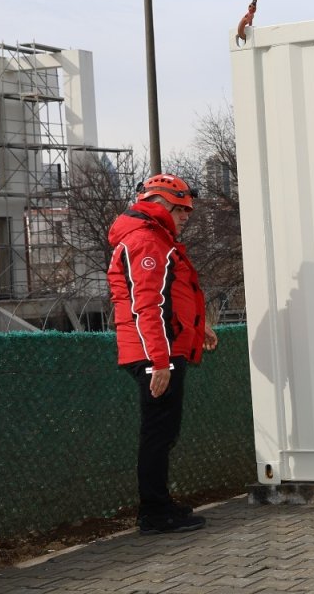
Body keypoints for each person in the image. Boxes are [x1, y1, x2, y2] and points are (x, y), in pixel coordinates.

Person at [107, 173, 218, 534]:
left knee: (163, 432)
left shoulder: (153, 239)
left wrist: (199, 331)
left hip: (159, 349)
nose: (187, 216)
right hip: (155, 352)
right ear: (162, 203)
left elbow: (170, 300)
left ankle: (159, 506)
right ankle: (155, 512)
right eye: (182, 209)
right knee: (158, 433)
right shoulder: (146, 241)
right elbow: (147, 307)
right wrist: (159, 362)